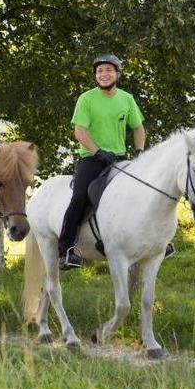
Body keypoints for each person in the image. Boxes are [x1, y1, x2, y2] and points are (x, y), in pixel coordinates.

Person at [57, 54, 146, 270]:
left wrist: (139, 152)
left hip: (120, 159)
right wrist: (97, 152)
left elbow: (138, 128)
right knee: (79, 196)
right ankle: (67, 249)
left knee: (145, 191)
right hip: (92, 158)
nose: (103, 74)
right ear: (95, 76)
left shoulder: (127, 99)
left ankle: (155, 242)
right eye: (99, 71)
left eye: (108, 70)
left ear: (117, 73)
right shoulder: (86, 99)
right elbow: (79, 131)